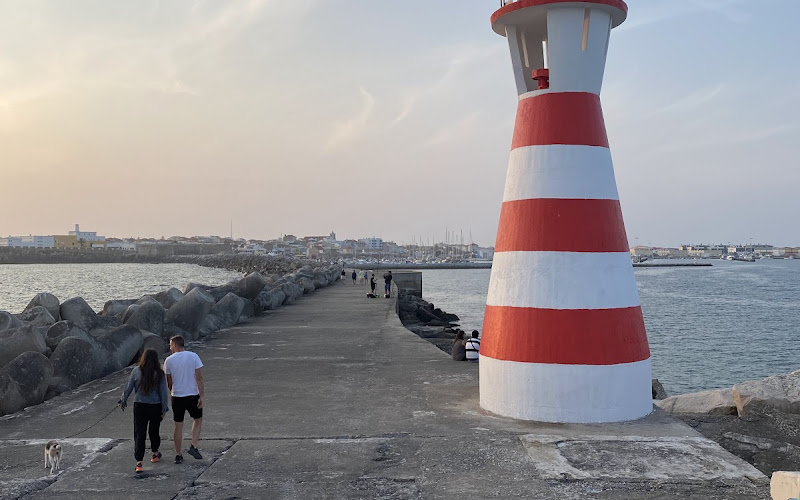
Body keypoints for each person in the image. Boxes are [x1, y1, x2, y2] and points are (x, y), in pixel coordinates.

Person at [118, 348, 169, 473]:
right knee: (154, 430)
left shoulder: (136, 371)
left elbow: (128, 388)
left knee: (139, 433)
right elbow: (163, 393)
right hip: (155, 406)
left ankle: (139, 462)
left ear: (143, 358)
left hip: (139, 406)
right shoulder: (159, 373)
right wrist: (164, 409)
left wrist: (123, 401)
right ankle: (155, 454)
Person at [164, 335, 204, 464]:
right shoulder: (193, 356)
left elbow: (168, 381)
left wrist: (172, 391)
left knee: (178, 424)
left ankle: (178, 454)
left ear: (175, 345)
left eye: (170, 345)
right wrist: (202, 395)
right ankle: (193, 445)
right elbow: (199, 378)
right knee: (197, 419)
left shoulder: (168, 360)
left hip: (177, 396)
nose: (170, 347)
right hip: (192, 394)